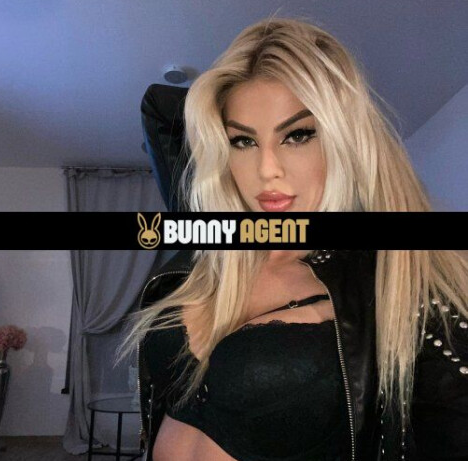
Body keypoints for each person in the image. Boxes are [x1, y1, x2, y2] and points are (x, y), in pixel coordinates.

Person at [117, 17, 468, 461]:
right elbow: (157, 108)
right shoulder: (208, 259)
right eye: (242, 141)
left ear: (346, 140)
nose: (267, 170)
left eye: (298, 135)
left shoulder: (405, 274)